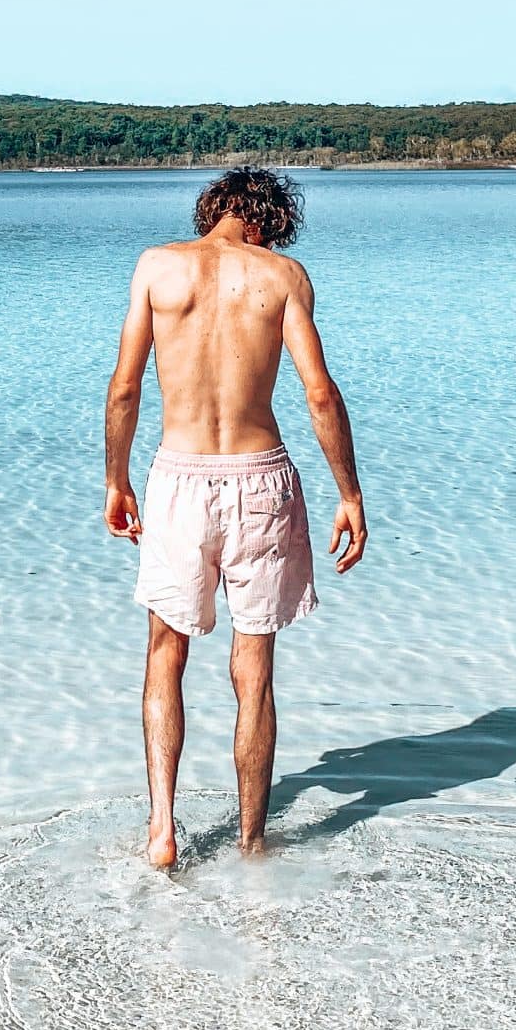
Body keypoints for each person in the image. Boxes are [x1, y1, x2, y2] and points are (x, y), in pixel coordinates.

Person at [103, 166, 366, 868]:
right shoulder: (284, 277)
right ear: (267, 220)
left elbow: (125, 386)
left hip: (178, 478)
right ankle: (252, 844)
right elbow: (319, 393)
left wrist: (116, 480)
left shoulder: (157, 267)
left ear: (214, 210)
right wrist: (350, 493)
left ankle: (163, 830)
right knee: (254, 670)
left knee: (165, 651)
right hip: (261, 478)